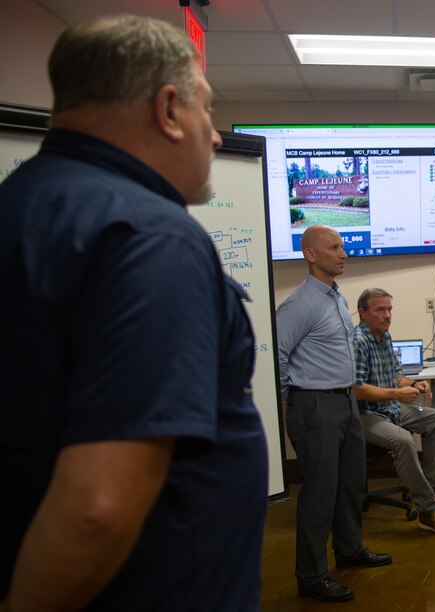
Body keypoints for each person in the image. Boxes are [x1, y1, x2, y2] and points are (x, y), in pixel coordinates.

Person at [0, 15, 267, 611]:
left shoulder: (22, 204)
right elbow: (99, 508)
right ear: (168, 109)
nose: (216, 136)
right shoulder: (149, 237)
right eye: (206, 110)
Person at [277, 225, 392, 603]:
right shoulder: (301, 303)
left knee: (349, 485)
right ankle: (311, 576)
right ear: (311, 255)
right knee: (319, 494)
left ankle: (349, 550)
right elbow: (276, 355)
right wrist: (290, 396)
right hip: (315, 405)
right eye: (334, 247)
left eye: (343, 246)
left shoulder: (337, 298)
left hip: (345, 402)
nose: (344, 253)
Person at [352, 288, 435, 535]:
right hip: (365, 415)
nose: (387, 315)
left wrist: (414, 385)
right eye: (380, 309)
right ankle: (428, 511)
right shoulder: (358, 341)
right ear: (363, 313)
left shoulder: (384, 337)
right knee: (403, 440)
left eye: (389, 309)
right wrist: (397, 394)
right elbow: (357, 389)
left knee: (434, 418)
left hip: (389, 407)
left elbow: (396, 376)